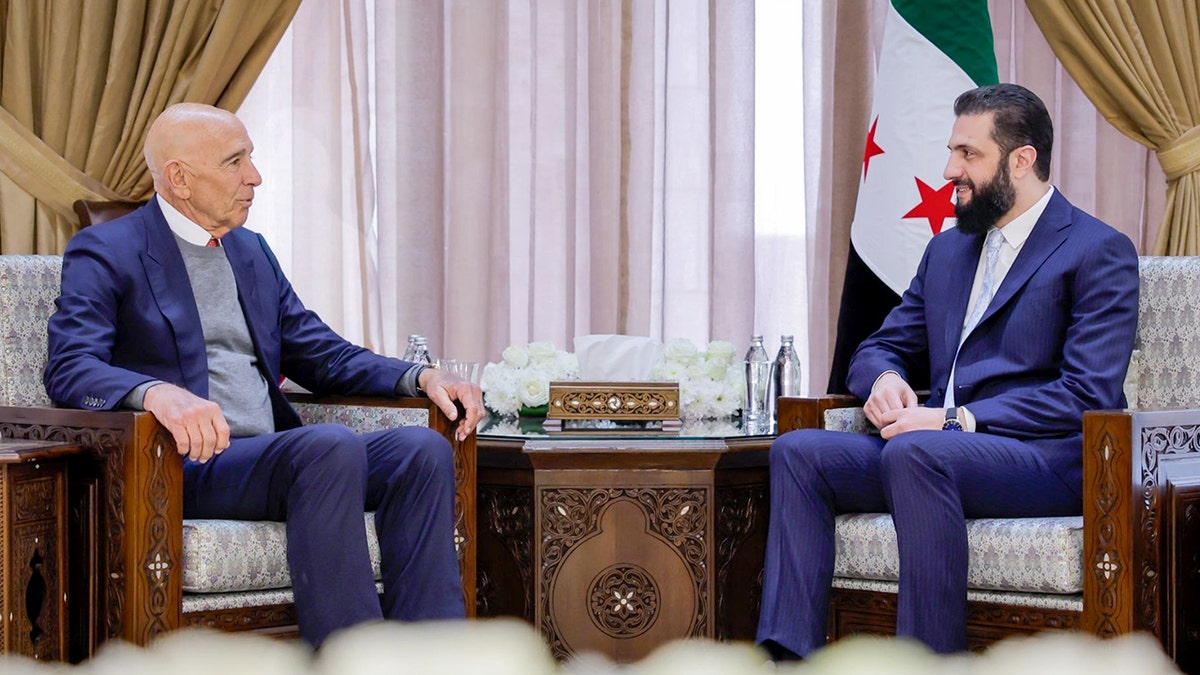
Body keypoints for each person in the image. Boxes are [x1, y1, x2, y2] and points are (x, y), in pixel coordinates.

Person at [43, 103, 486, 648]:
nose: (254, 176)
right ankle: (352, 657)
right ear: (179, 178)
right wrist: (154, 393)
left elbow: (322, 354)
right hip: (186, 463)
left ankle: (438, 655)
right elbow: (69, 366)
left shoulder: (250, 250)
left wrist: (420, 378)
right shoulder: (109, 249)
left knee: (421, 451)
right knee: (328, 447)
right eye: (235, 161)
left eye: (250, 158)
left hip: (276, 461)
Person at [756, 83, 1139, 658]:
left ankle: (926, 663)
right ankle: (788, 659)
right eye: (952, 151)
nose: (948, 169)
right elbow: (879, 347)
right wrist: (885, 381)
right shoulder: (947, 250)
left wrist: (954, 420)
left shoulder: (1096, 249)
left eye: (968, 154)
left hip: (1042, 460)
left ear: (1022, 159)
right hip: (933, 454)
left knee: (918, 452)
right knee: (799, 452)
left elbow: (1086, 393)